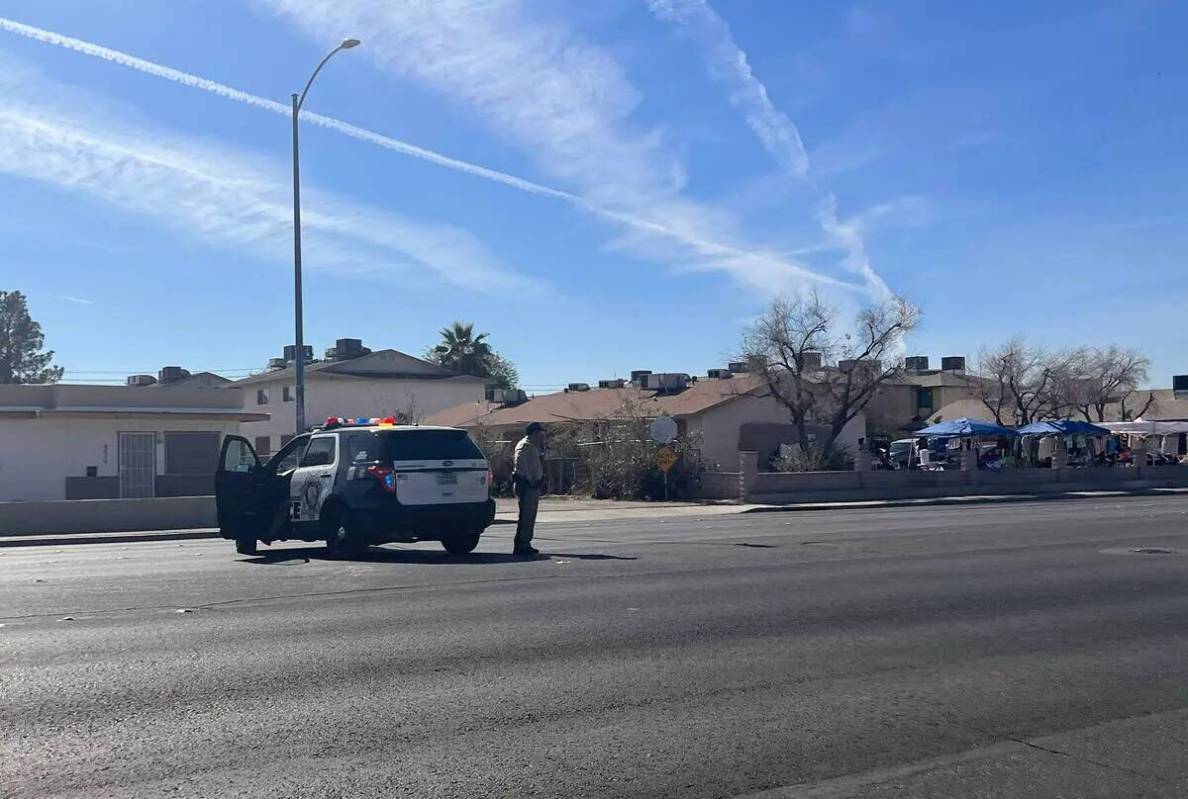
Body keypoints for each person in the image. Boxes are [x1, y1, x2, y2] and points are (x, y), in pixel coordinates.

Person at [512, 422, 547, 556]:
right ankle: (522, 544)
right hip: (527, 485)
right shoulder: (525, 446)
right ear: (534, 433)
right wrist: (529, 480)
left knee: (530, 516)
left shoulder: (533, 446)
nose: (542, 436)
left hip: (533, 485)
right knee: (526, 516)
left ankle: (525, 543)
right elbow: (521, 464)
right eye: (540, 433)